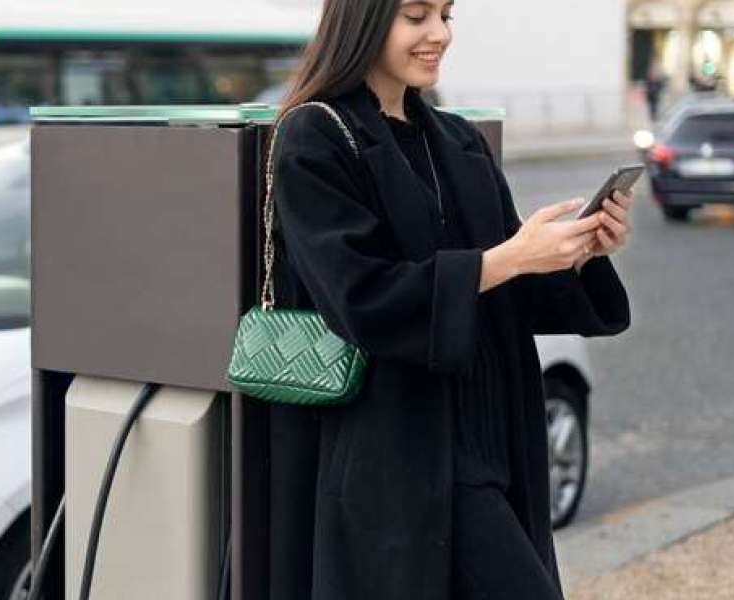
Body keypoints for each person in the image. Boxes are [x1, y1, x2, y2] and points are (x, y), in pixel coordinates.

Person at [265, 1, 633, 599]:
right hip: (403, 452)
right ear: (364, 21)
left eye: (446, 14)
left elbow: (511, 296)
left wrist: (577, 252)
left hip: (496, 436)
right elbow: (363, 300)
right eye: (416, 16)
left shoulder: (457, 138)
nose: (440, 33)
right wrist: (513, 255)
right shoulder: (315, 136)